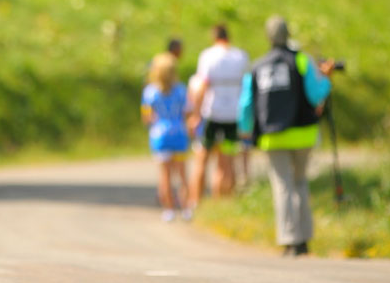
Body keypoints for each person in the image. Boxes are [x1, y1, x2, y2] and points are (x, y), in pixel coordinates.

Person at [237, 16, 335, 256]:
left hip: (273, 136)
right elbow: (315, 94)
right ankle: (303, 240)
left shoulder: (257, 66)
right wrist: (327, 78)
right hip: (303, 134)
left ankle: (289, 239)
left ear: (268, 36)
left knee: (282, 186)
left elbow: (247, 104)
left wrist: (245, 129)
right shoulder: (302, 60)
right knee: (300, 183)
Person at [189, 24, 249, 207]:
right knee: (227, 161)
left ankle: (195, 201)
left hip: (212, 112)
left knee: (202, 158)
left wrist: (195, 114)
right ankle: (222, 203)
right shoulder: (241, 56)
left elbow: (201, 86)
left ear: (214, 37)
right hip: (233, 114)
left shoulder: (208, 56)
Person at [141, 53, 191, 222]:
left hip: (159, 135)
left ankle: (168, 210)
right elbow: (187, 112)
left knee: (165, 176)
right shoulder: (181, 90)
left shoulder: (150, 92)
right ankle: (185, 209)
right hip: (178, 133)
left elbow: (147, 116)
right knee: (182, 175)